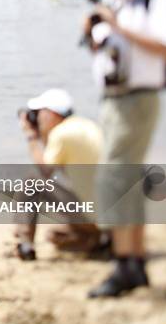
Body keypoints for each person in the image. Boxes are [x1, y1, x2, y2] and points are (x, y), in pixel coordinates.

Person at [83, 0, 166, 297]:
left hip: (137, 99)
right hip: (113, 98)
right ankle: (134, 262)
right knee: (128, 177)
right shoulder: (115, 1)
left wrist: (115, 24)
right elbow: (108, 48)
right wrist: (95, 29)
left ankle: (123, 263)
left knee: (112, 178)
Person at [17, 89, 107, 260]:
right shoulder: (86, 125)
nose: (36, 119)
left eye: (39, 114)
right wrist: (42, 133)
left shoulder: (62, 133)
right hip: (116, 217)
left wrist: (31, 135)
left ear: (51, 114)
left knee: (32, 180)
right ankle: (99, 239)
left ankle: (25, 245)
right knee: (55, 235)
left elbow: (44, 170)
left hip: (98, 217)